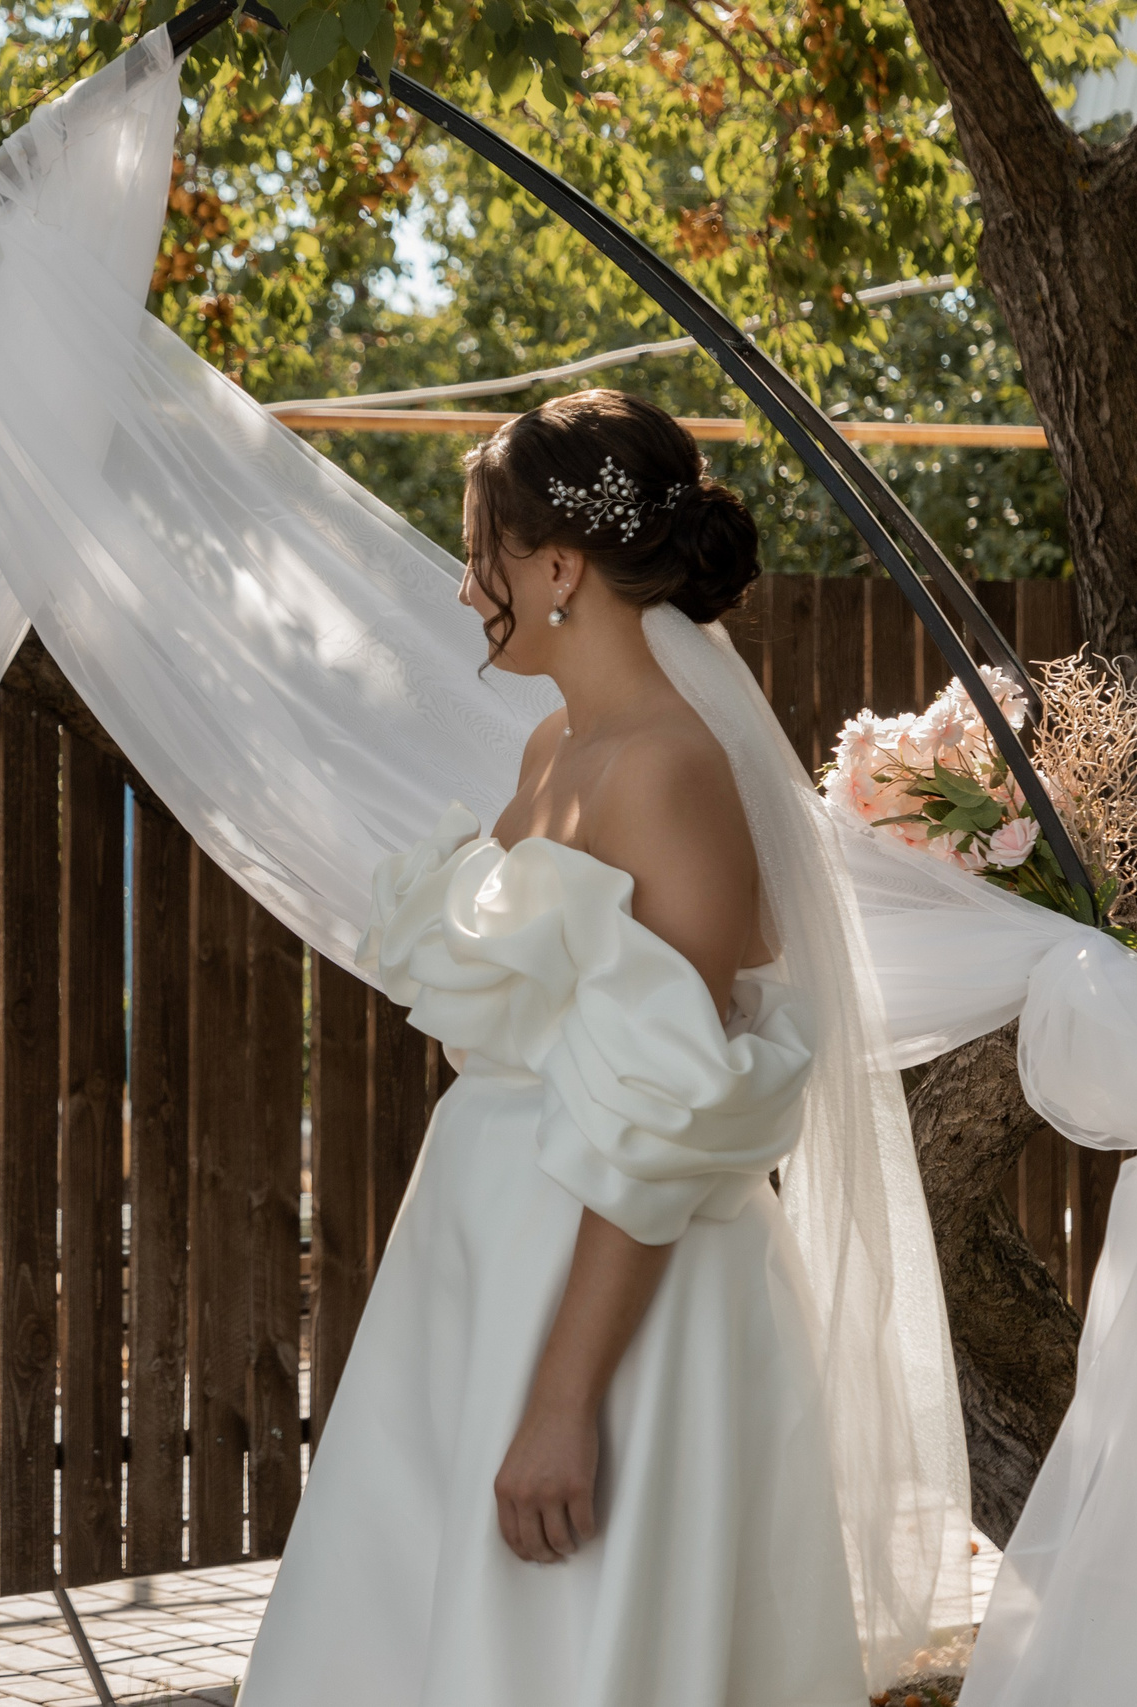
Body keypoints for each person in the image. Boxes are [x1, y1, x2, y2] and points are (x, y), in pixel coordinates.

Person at [238, 390, 903, 1705]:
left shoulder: (666, 767)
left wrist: (563, 1399)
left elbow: (668, 1106)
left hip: (604, 1285)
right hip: (487, 1249)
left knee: (565, 1641)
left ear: (558, 568)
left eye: (480, 551)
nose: (465, 585)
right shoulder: (558, 744)